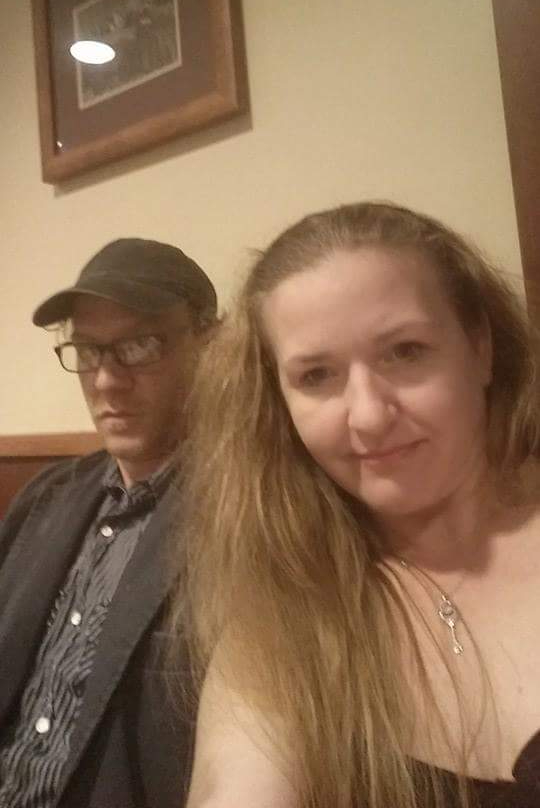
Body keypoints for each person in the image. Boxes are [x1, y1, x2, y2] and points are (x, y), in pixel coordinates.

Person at [174, 202, 540, 808]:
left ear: (480, 347)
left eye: (406, 351)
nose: (368, 416)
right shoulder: (282, 621)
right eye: (317, 376)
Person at [0, 238, 217, 808]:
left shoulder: (247, 517)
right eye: (89, 350)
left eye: (140, 346)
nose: (105, 381)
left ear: (211, 344)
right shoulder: (46, 498)